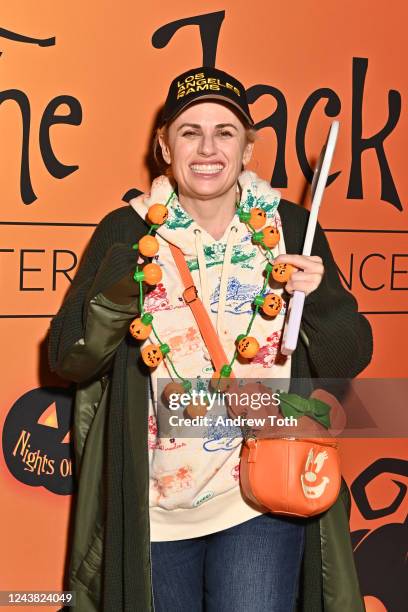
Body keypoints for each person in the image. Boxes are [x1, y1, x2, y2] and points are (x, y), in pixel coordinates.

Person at [48, 67, 373, 612]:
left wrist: (315, 297)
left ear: (247, 149)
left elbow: (351, 354)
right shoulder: (127, 231)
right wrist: (119, 289)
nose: (207, 147)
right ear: (164, 147)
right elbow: (67, 357)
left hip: (259, 495)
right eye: (189, 131)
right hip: (155, 505)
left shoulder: (291, 226)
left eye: (225, 131)